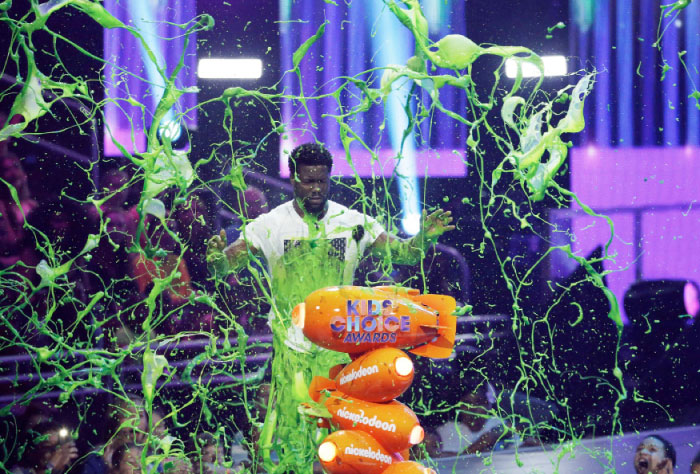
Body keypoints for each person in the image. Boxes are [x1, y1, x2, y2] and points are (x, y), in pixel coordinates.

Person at [206, 142, 454, 473]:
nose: (316, 189)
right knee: (278, 434)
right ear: (294, 180)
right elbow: (229, 264)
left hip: (345, 351)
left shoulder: (353, 221)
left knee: (349, 438)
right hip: (292, 351)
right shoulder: (270, 224)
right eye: (308, 181)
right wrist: (216, 263)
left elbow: (405, 254)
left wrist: (425, 237)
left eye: (322, 181)